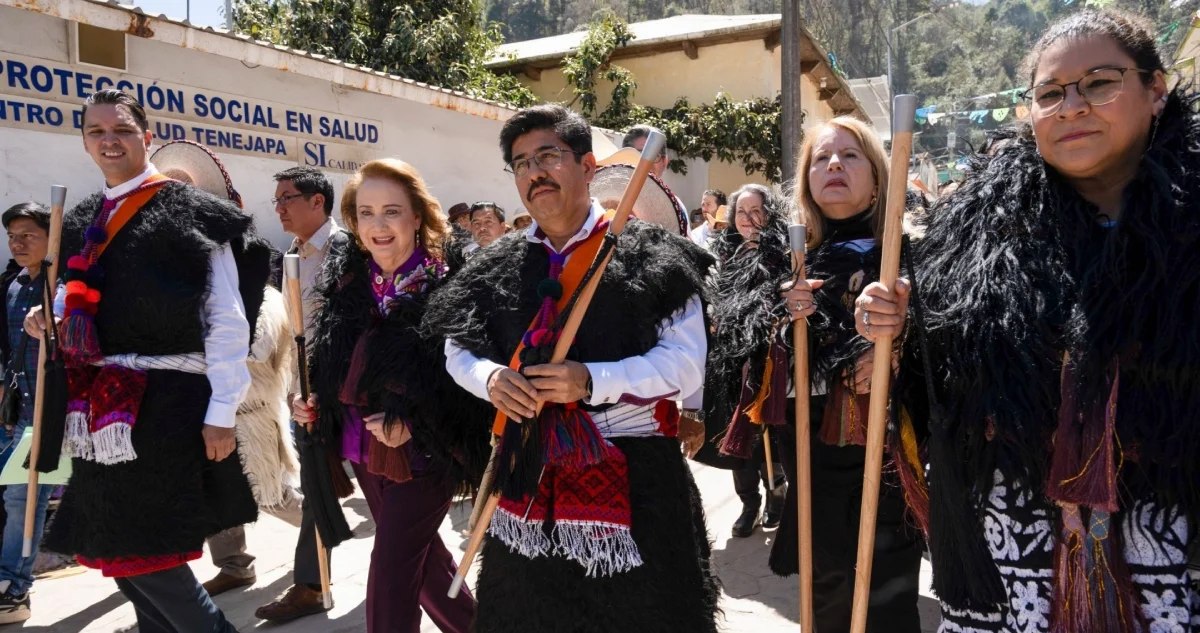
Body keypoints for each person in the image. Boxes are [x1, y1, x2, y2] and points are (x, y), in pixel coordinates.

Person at [855, 9, 1200, 632]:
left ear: (1156, 90)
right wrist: (903, 328)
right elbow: (947, 393)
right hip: (1016, 543)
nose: (1071, 107)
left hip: (1175, 531)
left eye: (1099, 82)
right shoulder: (976, 239)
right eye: (1049, 93)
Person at [425, 104, 720, 633]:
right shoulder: (497, 262)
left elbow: (685, 366)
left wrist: (592, 381)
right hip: (525, 474)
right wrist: (491, 379)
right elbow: (456, 350)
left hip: (637, 479)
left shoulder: (655, 254)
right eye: (520, 163)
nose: (534, 171)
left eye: (547, 155)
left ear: (587, 167)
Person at [29, 88, 270, 632]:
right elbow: (76, 288)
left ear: (147, 137)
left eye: (121, 131)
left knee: (151, 557)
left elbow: (228, 319)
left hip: (166, 405)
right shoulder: (86, 213)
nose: (109, 142)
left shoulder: (195, 211)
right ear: (85, 142)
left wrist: (222, 412)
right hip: (98, 409)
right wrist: (51, 313)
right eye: (97, 132)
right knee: (118, 555)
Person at [296, 158, 483, 633]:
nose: (378, 226)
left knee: (391, 574)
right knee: (427, 567)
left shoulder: (450, 288)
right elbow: (337, 369)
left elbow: (469, 389)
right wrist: (317, 403)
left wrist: (414, 421)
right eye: (366, 212)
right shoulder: (351, 284)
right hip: (365, 451)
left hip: (427, 455)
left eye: (392, 212)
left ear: (417, 217)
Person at [774, 117, 923, 631]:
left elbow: (953, 344)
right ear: (807, 181)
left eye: (850, 155)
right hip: (813, 456)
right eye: (821, 158)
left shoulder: (913, 255)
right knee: (828, 593)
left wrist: (902, 344)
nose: (834, 164)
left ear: (879, 177)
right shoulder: (786, 263)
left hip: (887, 461)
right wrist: (778, 325)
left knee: (889, 595)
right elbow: (747, 376)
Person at [146, 140, 303, 600]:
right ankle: (234, 564)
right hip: (190, 393)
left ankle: (322, 529)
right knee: (214, 490)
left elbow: (253, 322)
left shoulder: (238, 246)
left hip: (244, 391)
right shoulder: (163, 251)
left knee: (265, 488)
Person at [255, 165, 351, 623]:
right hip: (303, 392)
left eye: (287, 198)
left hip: (343, 392)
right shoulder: (288, 255)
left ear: (319, 201)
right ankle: (312, 584)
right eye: (276, 200)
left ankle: (313, 583)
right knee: (316, 484)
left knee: (355, 487)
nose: (279, 208)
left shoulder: (349, 251)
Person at [694, 184, 789, 539]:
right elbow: (711, 299)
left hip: (770, 358)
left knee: (772, 434)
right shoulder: (724, 257)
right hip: (731, 360)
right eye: (741, 213)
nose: (748, 221)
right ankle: (748, 503)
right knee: (738, 436)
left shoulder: (782, 254)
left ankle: (775, 494)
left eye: (756, 212)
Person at [0, 202, 53, 624]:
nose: (18, 244)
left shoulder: (65, 285)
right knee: (17, 495)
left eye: (28, 235)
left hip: (54, 410)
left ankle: (13, 589)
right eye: (12, 236)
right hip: (20, 409)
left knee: (24, 496)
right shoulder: (14, 284)